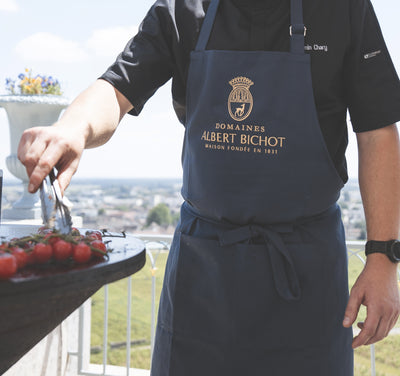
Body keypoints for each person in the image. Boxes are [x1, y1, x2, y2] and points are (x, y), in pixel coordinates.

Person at [18, 0, 400, 374]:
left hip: (307, 273)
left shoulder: (343, 8)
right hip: (203, 278)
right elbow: (116, 89)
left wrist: (383, 257)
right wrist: (74, 127)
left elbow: (378, 133)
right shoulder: (182, 8)